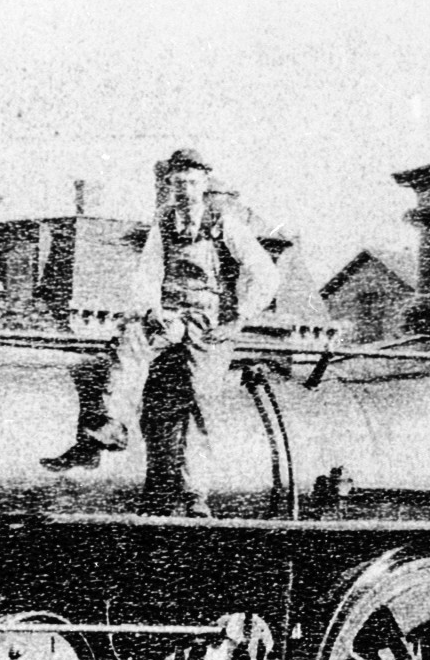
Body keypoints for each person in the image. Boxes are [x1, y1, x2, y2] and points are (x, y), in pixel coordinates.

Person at [43, 147, 278, 515]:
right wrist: (153, 310)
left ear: (204, 184)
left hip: (209, 319)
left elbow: (266, 274)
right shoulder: (165, 223)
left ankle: (195, 493)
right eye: (178, 183)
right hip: (171, 313)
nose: (185, 190)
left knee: (199, 401)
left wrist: (239, 319)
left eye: (192, 183)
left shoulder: (225, 223)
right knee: (131, 339)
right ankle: (111, 425)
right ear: (170, 184)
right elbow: (149, 272)